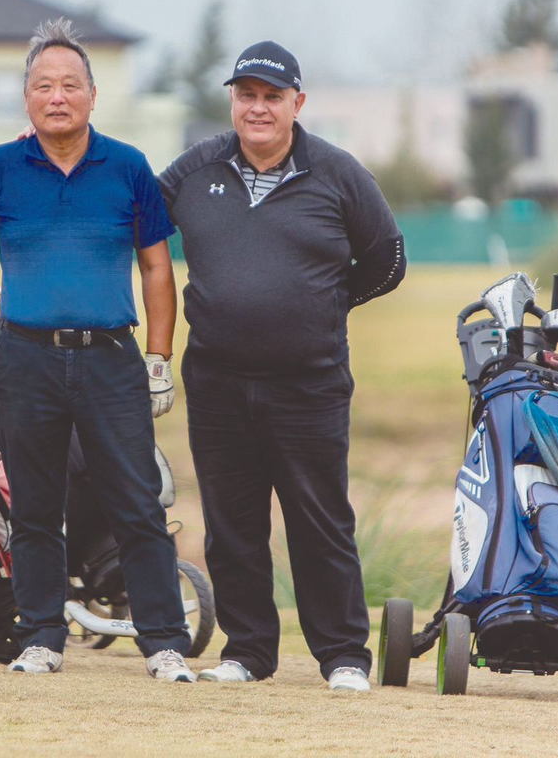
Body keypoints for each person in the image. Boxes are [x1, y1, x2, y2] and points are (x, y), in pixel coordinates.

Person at [0, 18, 195, 681]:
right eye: (44, 86)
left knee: (138, 503)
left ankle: (164, 641)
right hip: (25, 359)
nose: (58, 97)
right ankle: (42, 637)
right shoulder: (0, 169)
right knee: (34, 506)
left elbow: (157, 267)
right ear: (27, 97)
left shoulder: (128, 167)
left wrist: (159, 357)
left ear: (92, 95)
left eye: (70, 85)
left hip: (112, 359)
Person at [158, 41, 407, 692]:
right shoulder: (197, 169)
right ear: (232, 101)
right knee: (232, 522)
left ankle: (343, 656)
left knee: (319, 519)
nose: (259, 108)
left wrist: (324, 303)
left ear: (298, 103)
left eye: (273, 97)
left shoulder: (337, 173)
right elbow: (130, 216)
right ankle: (248, 652)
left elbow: (388, 260)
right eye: (247, 95)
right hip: (216, 379)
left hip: (309, 382)